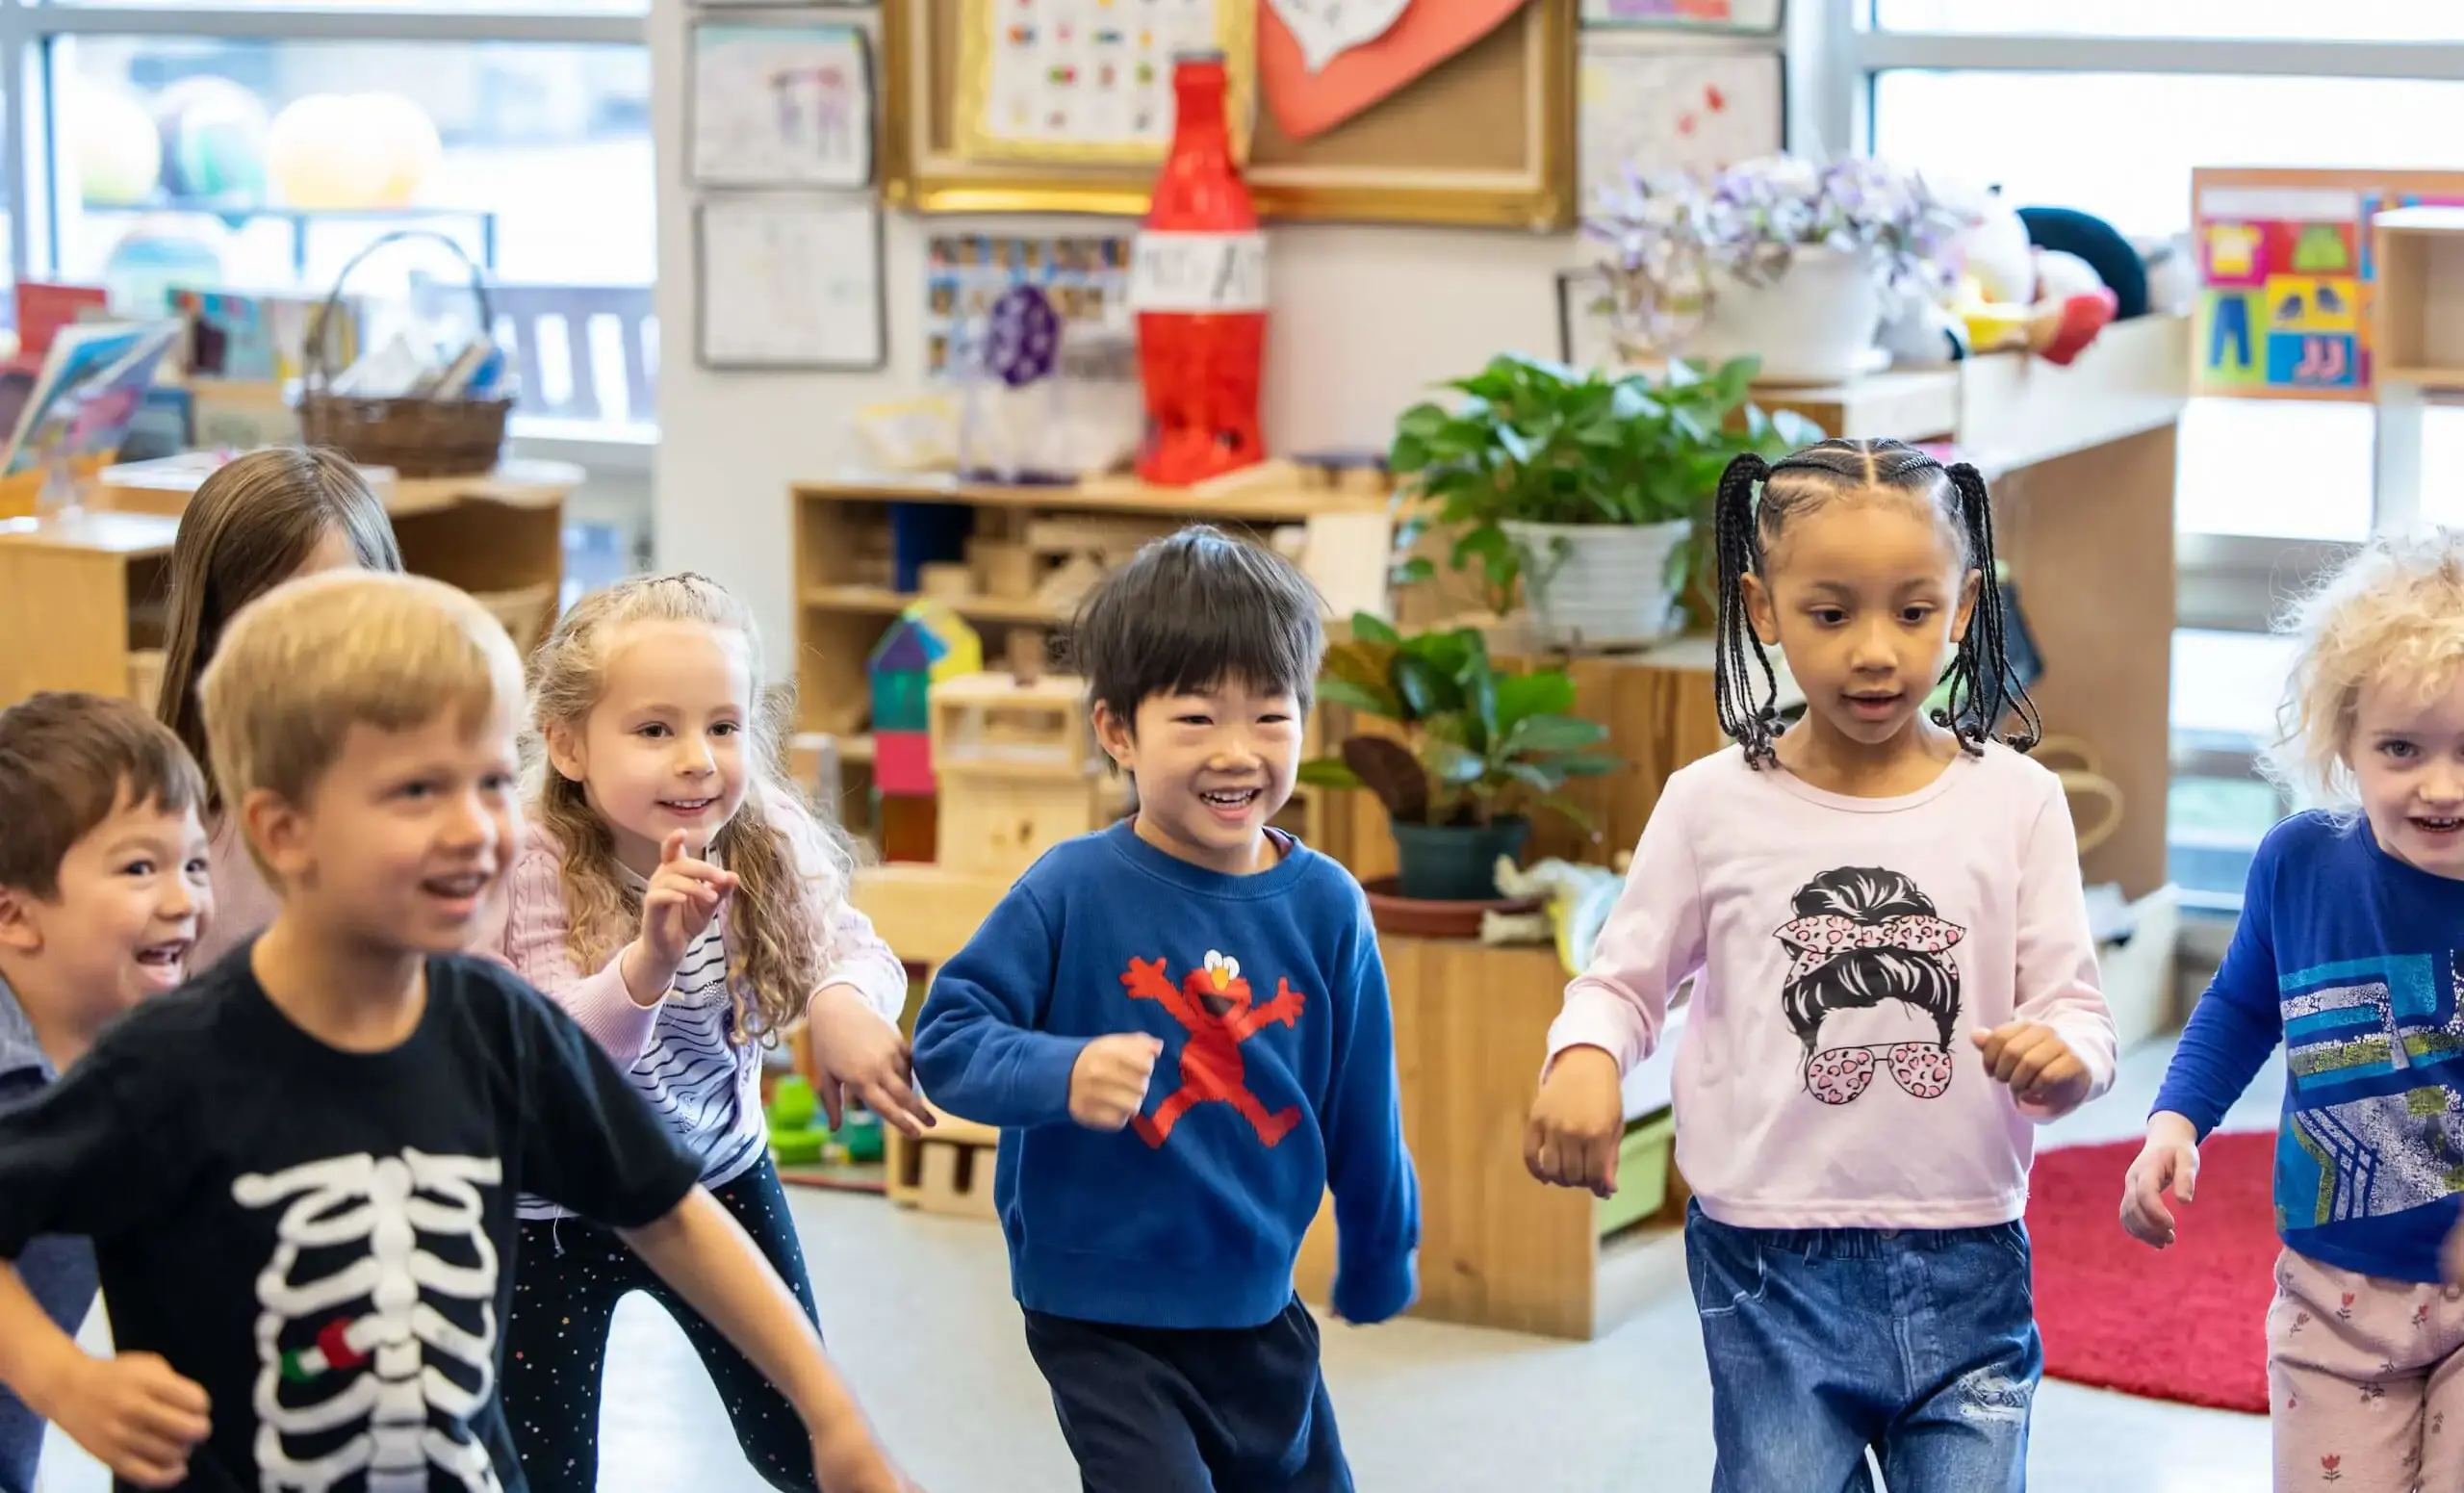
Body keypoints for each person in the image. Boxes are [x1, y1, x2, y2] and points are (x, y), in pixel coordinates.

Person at [0, 571, 914, 1493]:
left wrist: (830, 1415)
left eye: (486, 782)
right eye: (417, 791)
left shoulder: (497, 1027)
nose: (479, 829)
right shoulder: (166, 1065)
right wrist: (64, 1378)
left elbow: (672, 1212)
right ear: (284, 831)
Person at [1525, 438, 2118, 1493]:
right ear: (1761, 608)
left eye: (1914, 610)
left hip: (1968, 1250)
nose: (1876, 653)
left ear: (1968, 604)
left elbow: (2074, 1007)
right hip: (1768, 1260)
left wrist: (2065, 1059)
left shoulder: (2017, 801)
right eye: (1830, 614)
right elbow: (1620, 981)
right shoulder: (1710, 804)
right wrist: (1585, 1059)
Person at [912, 527, 1418, 1493]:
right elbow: (947, 1041)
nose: (1237, 752)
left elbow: (1364, 1101)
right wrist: (1060, 1071)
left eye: (1271, 716)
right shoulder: (1070, 889)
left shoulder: (1325, 906)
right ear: (1116, 731)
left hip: (1256, 1298)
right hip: (1094, 1306)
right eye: (1194, 719)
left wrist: (1379, 1247)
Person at [494, 572, 930, 1493]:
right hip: (552, 1214)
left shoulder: (759, 827)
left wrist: (846, 1006)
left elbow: (851, 947)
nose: (699, 758)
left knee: (805, 1438)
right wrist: (648, 959)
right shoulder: (532, 855)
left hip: (716, 1173)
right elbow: (556, 1061)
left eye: (723, 726)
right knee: (545, 1472)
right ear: (568, 743)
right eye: (656, 729)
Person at [2122, 530, 2464, 1491]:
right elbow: (2240, 1003)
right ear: (2341, 739)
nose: (2439, 787)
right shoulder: (2298, 862)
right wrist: (2174, 1120)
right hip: (2332, 1294)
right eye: (2400, 748)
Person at [0, 693, 211, 1493]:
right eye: (139, 867)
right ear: (15, 915)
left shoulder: (142, 1050)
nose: (185, 899)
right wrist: (69, 1380)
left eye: (194, 863)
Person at [154, 446, 401, 968]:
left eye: (342, 610)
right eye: (274, 616)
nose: (313, 648)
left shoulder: (427, 809)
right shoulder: (176, 828)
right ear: (209, 636)